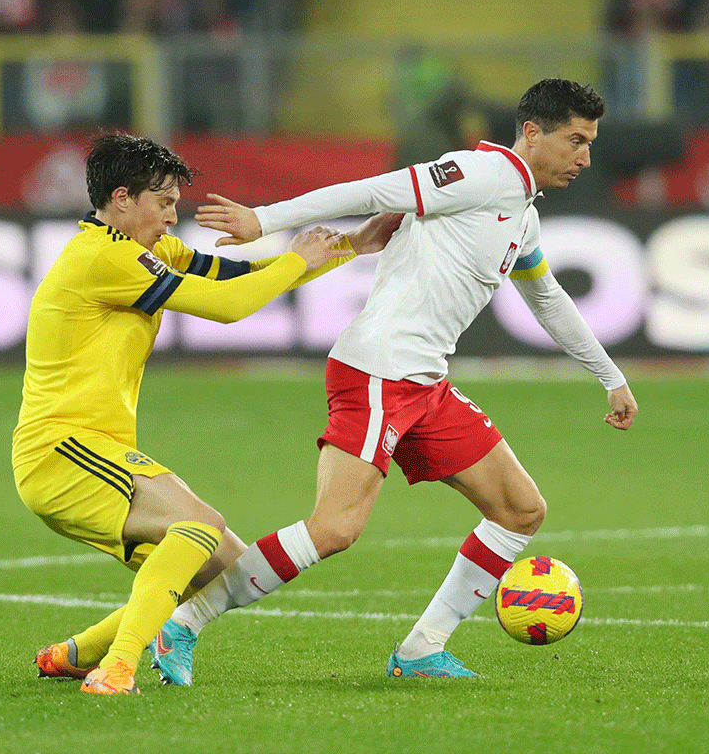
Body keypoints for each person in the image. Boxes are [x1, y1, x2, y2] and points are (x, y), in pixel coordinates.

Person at [148, 78, 639, 685]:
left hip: (423, 382)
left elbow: (548, 299)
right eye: (575, 140)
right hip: (379, 370)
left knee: (519, 509)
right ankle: (184, 623)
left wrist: (609, 376)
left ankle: (421, 649)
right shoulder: (480, 173)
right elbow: (374, 189)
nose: (585, 157)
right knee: (333, 529)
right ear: (532, 133)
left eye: (590, 143)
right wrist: (263, 219)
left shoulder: (524, 216)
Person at [16, 132, 400, 695]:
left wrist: (350, 247)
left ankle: (77, 654)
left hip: (97, 451)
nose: (173, 217)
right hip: (62, 450)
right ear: (122, 198)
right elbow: (226, 310)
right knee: (200, 525)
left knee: (225, 567)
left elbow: (236, 278)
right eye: (164, 201)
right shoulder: (102, 258)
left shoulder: (142, 252)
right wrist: (300, 255)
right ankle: (117, 669)